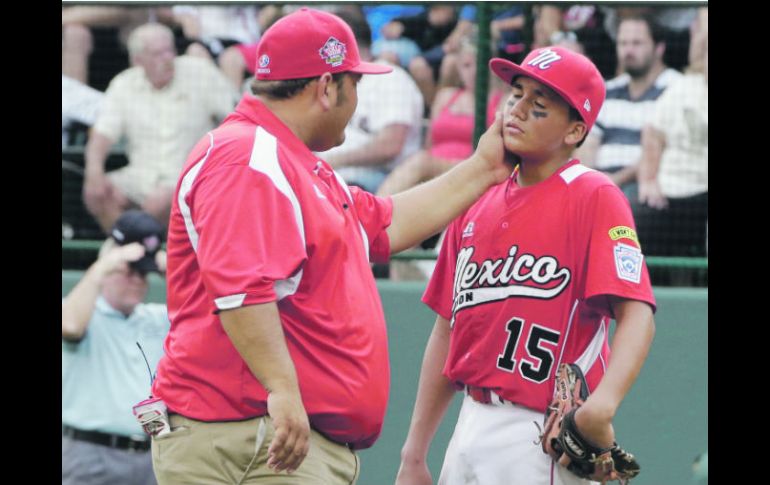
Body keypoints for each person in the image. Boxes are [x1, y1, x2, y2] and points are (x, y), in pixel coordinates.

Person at [149, 8, 512, 485]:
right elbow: (241, 290)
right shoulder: (247, 157)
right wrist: (281, 389)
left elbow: (386, 225)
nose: (358, 97)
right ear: (326, 87)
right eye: (355, 84)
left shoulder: (294, 163)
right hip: (253, 435)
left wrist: (484, 167)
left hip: (270, 437)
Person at [396, 46, 657, 485]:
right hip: (468, 421)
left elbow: (638, 312)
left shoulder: (593, 194)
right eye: (514, 95)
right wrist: (415, 451)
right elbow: (447, 328)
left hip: (538, 432)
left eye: (538, 106)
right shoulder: (475, 195)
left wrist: (603, 405)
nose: (516, 110)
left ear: (575, 130)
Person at [83, 22, 238, 232]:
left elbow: (235, 116)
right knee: (97, 194)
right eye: (158, 54)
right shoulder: (123, 84)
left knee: (160, 201)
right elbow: (102, 135)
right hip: (141, 175)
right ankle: (135, 248)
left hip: (189, 176)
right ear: (138, 61)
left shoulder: (199, 72)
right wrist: (94, 172)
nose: (167, 59)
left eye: (170, 50)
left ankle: (136, 247)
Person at [62, 210, 169, 485]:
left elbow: (211, 315)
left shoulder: (155, 317)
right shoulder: (84, 311)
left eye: (144, 274)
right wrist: (105, 263)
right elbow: (70, 326)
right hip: (91, 452)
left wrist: (174, 269)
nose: (137, 280)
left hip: (152, 451)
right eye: (129, 271)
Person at [575, 14, 681, 199]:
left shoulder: (676, 89)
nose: (628, 50)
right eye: (623, 43)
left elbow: (664, 149)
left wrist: (615, 180)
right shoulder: (607, 90)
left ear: (659, 48)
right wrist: (590, 179)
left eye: (637, 43)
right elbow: (588, 145)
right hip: (599, 182)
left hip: (642, 186)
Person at [318, 10, 424, 193]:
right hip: (330, 175)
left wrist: (333, 161)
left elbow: (390, 146)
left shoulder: (391, 78)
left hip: (374, 180)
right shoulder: (334, 80)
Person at [634, 7, 708, 257]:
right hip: (673, 190)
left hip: (704, 191)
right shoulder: (682, 88)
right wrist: (648, 181)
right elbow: (653, 134)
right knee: (638, 215)